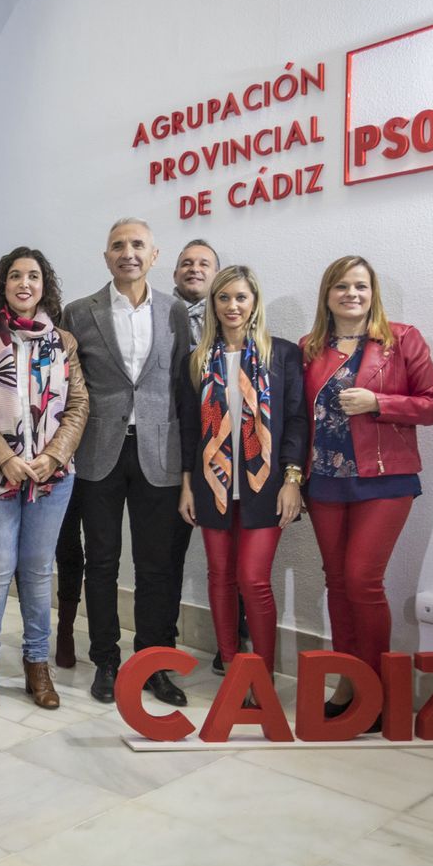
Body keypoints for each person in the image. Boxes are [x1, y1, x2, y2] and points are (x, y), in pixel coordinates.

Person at [301, 255, 433, 720]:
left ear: (373, 292)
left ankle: (378, 691)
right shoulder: (310, 346)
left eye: (361, 286)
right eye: (341, 286)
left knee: (363, 580)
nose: (352, 294)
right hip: (324, 479)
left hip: (384, 479)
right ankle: (349, 682)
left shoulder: (401, 339)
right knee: (338, 582)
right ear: (327, 294)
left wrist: (378, 402)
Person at [59, 217, 191, 707]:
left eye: (138, 245)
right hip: (98, 452)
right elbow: (68, 386)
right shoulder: (79, 312)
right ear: (106, 255)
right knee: (103, 561)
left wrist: (189, 468)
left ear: (154, 256)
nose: (128, 253)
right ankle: (106, 660)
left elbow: (182, 386)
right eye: (118, 245)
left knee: (157, 565)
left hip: (160, 451)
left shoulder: (176, 312)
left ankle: (155, 661)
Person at [0, 248, 88, 711]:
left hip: (52, 476)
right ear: (2, 285)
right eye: (15, 276)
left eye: (33, 276)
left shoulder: (63, 341)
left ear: (43, 285)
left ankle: (36, 665)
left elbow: (78, 406)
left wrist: (54, 455)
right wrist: (5, 457)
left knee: (37, 570)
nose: (24, 283)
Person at [175, 266, 305, 681]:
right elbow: (189, 430)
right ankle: (231, 664)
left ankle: (260, 675)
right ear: (213, 305)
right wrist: (187, 486)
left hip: (266, 487)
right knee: (219, 576)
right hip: (212, 484)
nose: (233, 306)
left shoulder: (281, 355)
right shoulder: (196, 360)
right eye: (224, 298)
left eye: (241, 297)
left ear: (254, 303)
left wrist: (292, 480)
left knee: (253, 579)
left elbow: (298, 421)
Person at [170, 237, 245, 670]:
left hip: (239, 462)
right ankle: (166, 642)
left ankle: (235, 644)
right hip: (179, 453)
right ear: (174, 271)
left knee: (238, 563)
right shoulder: (160, 315)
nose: (193, 268)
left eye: (203, 263)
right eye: (185, 263)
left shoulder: (248, 335)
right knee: (173, 555)